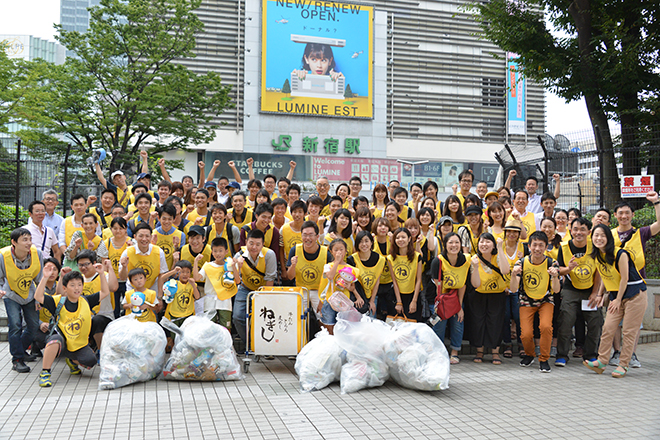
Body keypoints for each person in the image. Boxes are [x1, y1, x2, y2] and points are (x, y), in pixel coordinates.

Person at [584, 225, 647, 378]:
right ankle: (601, 361)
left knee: (629, 331)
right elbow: (606, 276)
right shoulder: (598, 255)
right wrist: (599, 294)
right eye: (596, 235)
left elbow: (624, 278)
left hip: (634, 295)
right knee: (608, 328)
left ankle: (623, 364)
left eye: (602, 236)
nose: (599, 239)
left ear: (609, 238)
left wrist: (618, 299)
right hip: (615, 296)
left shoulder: (620, 254)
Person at [34, 263, 110, 387]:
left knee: (91, 361)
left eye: (80, 285)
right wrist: (45, 277)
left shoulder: (85, 301)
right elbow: (38, 296)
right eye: (73, 285)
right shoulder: (58, 301)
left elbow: (105, 292)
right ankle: (45, 373)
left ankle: (72, 360)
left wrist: (101, 273)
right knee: (54, 341)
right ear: (65, 288)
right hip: (61, 340)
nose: (77, 288)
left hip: (78, 343)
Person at [609, 192, 660, 368]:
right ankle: (617, 352)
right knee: (615, 321)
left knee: (634, 323)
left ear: (632, 215)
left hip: (637, 285)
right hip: (615, 285)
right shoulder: (609, 235)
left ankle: (631, 354)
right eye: (620, 213)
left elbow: (659, 224)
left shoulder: (641, 233)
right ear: (615, 215)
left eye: (627, 213)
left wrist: (656, 202)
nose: (623, 216)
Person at [510, 231, 561, 373]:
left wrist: (556, 277)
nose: (537, 248)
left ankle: (544, 359)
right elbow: (513, 288)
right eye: (535, 245)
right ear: (530, 246)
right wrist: (514, 275)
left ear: (546, 247)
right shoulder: (521, 262)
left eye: (541, 245)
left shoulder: (552, 263)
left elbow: (556, 290)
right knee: (525, 334)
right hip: (526, 300)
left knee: (546, 327)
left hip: (546, 300)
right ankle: (529, 354)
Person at [554, 217, 602, 367]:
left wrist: (595, 292)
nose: (578, 232)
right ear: (570, 230)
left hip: (590, 290)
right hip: (571, 289)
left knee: (596, 321)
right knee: (566, 320)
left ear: (589, 231)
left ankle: (591, 355)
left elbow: (599, 272)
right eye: (575, 229)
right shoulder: (564, 247)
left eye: (582, 229)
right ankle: (562, 355)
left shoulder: (595, 247)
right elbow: (558, 270)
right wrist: (568, 268)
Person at [430, 232, 480, 364]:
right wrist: (440, 306)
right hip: (440, 298)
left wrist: (459, 306)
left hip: (457, 296)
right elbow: (437, 286)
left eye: (457, 242)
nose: (454, 245)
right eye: (450, 242)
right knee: (439, 326)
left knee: (458, 322)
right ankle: (438, 353)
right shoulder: (438, 261)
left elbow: (463, 284)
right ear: (445, 245)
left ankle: (455, 352)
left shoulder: (466, 260)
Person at [0, 227, 44, 373]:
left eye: (30, 239)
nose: (29, 243)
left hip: (30, 295)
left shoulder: (36, 254)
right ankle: (17, 359)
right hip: (11, 294)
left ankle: (21, 350)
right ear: (14, 242)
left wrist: (39, 298)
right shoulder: (3, 255)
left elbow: (40, 278)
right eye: (24, 240)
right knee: (15, 325)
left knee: (32, 327)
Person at [470, 233, 509, 364]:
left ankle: (495, 352)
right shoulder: (474, 259)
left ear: (493, 245)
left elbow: (505, 270)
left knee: (496, 322)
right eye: (481, 242)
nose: (484, 244)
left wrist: (500, 248)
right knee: (478, 322)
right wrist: (475, 266)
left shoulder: (498, 257)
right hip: (479, 295)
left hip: (497, 295)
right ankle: (479, 351)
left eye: (488, 242)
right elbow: (475, 284)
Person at [232, 229, 277, 343]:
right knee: (237, 317)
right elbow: (236, 280)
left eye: (258, 244)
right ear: (246, 242)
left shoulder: (269, 255)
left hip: (263, 290)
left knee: (261, 318)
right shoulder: (239, 255)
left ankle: (261, 343)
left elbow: (270, 278)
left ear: (263, 245)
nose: (254, 247)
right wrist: (238, 267)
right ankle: (248, 342)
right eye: (251, 243)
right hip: (245, 288)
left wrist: (265, 299)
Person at [71, 250, 118, 351]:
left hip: (103, 317)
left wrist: (110, 268)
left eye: (87, 264)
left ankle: (102, 351)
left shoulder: (103, 275)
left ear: (94, 263)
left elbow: (114, 288)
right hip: (84, 317)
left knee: (97, 321)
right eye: (80, 265)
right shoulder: (78, 280)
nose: (83, 267)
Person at [317, 239, 364, 333]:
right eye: (336, 250)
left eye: (341, 249)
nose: (339, 252)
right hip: (330, 300)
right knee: (329, 327)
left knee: (344, 328)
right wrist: (337, 262)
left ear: (346, 251)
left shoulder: (351, 269)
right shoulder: (328, 266)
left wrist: (348, 287)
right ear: (331, 251)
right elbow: (330, 276)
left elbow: (352, 287)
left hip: (344, 302)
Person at [286, 221, 330, 320]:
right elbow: (290, 276)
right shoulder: (295, 250)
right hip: (301, 289)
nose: (308, 238)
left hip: (319, 290)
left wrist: (323, 299)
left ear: (317, 236)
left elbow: (330, 279)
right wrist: (293, 265)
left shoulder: (325, 253)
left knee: (323, 317)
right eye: (304, 235)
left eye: (311, 235)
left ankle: (324, 334)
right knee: (297, 317)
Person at [193, 237, 237, 330]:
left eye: (220, 251)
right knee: (209, 328)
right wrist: (196, 261)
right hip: (210, 301)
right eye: (215, 251)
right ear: (212, 252)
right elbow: (196, 277)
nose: (218, 254)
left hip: (225, 301)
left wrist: (234, 267)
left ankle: (226, 344)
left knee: (226, 327)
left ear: (226, 251)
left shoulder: (229, 265)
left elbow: (237, 281)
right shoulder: (208, 265)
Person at [118, 223, 168, 300]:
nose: (144, 239)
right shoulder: (127, 252)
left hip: (152, 289)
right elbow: (122, 277)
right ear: (135, 237)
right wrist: (124, 267)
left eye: (147, 236)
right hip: (133, 290)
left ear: (151, 237)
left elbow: (161, 275)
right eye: (141, 236)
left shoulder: (159, 252)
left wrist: (159, 296)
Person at [500, 218, 525, 358]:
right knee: (505, 316)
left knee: (518, 316)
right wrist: (503, 286)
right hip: (502, 288)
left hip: (518, 288)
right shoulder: (500, 246)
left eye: (515, 232)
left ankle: (521, 344)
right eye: (509, 231)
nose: (512, 234)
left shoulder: (523, 247)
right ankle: (507, 344)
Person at [162, 260, 200, 349]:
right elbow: (162, 278)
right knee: (175, 338)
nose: (185, 274)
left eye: (188, 272)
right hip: (174, 316)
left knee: (187, 338)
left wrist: (194, 285)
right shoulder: (173, 283)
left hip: (187, 315)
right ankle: (175, 356)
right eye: (182, 272)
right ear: (178, 273)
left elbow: (197, 297)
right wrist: (173, 271)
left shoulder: (192, 284)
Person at [388, 227, 423, 321]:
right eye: (397, 237)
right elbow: (394, 281)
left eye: (403, 237)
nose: (400, 240)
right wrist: (399, 302)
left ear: (409, 239)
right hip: (397, 296)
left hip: (413, 295)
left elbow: (418, 280)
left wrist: (414, 301)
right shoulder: (390, 258)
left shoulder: (417, 256)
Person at [347, 231, 385, 316]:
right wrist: (358, 297)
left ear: (372, 242)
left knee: (371, 321)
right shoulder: (352, 259)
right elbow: (351, 281)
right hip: (357, 296)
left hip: (372, 296)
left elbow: (377, 281)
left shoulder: (380, 259)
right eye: (360, 242)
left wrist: (372, 301)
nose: (364, 244)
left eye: (366, 241)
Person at [176, 225, 212, 315]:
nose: (194, 241)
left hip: (205, 287)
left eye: (198, 238)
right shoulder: (183, 250)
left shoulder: (210, 251)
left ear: (203, 239)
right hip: (186, 286)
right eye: (192, 238)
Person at [105, 217, 129, 318]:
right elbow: (104, 263)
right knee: (114, 309)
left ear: (125, 229)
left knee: (128, 307)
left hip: (128, 281)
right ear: (111, 229)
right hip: (113, 281)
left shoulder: (131, 242)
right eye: (115, 228)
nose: (118, 231)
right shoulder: (107, 243)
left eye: (121, 228)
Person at [151, 204, 185, 270]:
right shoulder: (153, 234)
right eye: (164, 219)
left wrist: (176, 247)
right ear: (159, 218)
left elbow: (180, 257)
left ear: (174, 219)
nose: (167, 222)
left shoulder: (181, 235)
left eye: (169, 219)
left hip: (173, 272)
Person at [280, 200, 306, 284]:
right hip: (289, 266)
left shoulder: (309, 229)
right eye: (294, 212)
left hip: (305, 267)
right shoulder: (284, 229)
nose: (297, 215)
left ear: (305, 214)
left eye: (300, 212)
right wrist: (283, 269)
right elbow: (281, 249)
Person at [372, 217, 393, 320]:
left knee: (389, 312)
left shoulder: (392, 240)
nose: (383, 228)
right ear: (375, 227)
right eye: (380, 225)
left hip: (390, 281)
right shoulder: (371, 241)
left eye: (385, 225)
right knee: (377, 312)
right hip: (376, 282)